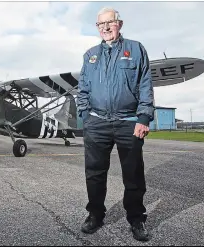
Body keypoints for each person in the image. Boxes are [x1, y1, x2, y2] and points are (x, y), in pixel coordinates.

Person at [76, 7, 154, 242]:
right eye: (101, 24)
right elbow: (83, 89)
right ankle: (95, 214)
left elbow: (145, 85)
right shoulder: (90, 55)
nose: (105, 28)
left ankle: (136, 218)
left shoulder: (136, 49)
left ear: (119, 24)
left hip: (128, 122)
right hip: (97, 123)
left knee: (133, 174)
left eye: (110, 23)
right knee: (95, 173)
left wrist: (143, 117)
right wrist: (85, 115)